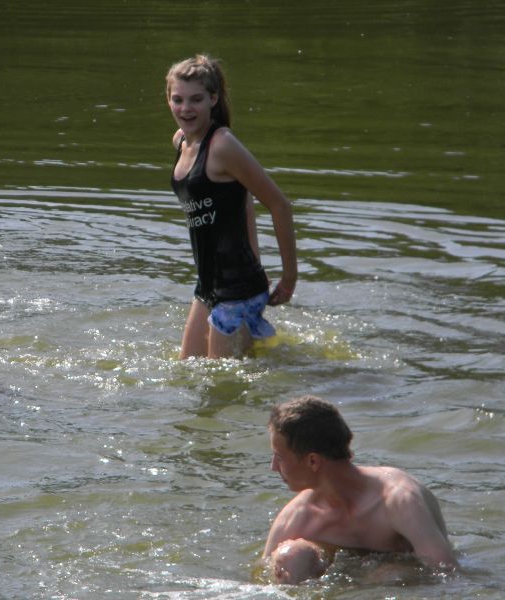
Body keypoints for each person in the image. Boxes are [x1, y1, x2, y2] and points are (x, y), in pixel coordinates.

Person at [166, 54, 297, 359]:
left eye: (196, 99)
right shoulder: (182, 141)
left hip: (238, 289)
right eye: (178, 99)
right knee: (187, 369)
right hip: (208, 284)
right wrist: (257, 257)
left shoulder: (222, 145)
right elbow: (242, 197)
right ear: (168, 100)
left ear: (213, 99)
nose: (186, 109)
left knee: (222, 383)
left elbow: (280, 205)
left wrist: (289, 278)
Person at [264, 395, 458, 584]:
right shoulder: (297, 516)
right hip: (342, 573)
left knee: (391, 575)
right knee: (291, 557)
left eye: (279, 457)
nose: (273, 467)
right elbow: (260, 579)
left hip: (388, 580)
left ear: (313, 461)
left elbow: (446, 571)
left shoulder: (399, 500)